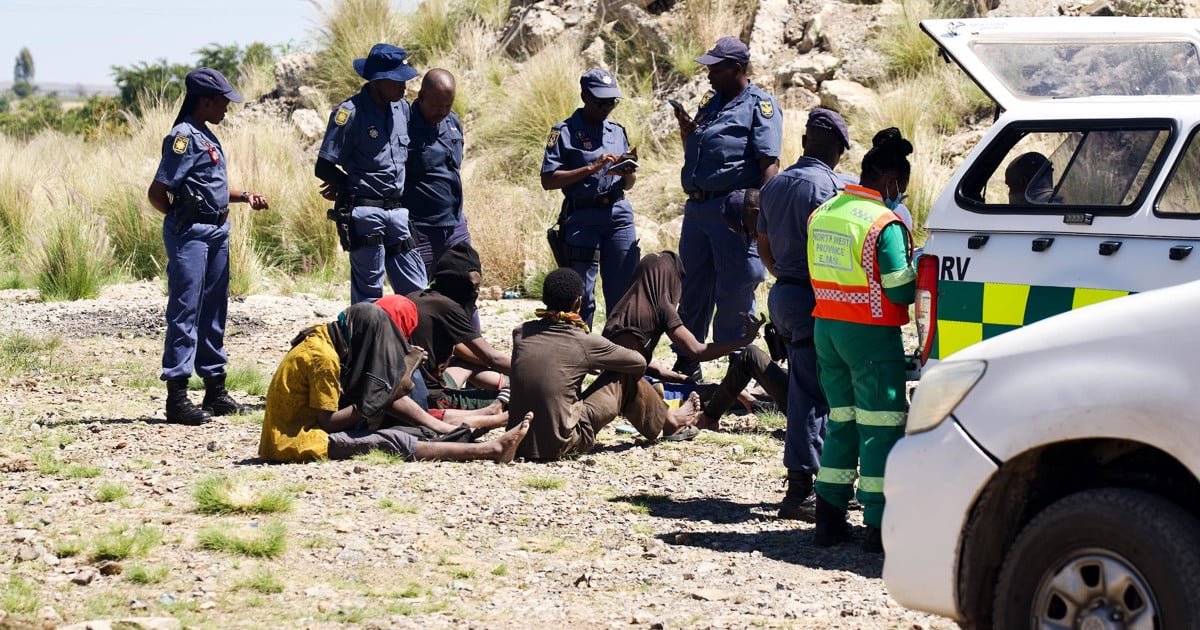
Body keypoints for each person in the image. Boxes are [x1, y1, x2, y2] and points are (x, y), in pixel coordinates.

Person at [807, 128, 917, 553]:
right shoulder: (883, 223)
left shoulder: (826, 211)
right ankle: (878, 525)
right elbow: (898, 289)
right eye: (901, 188)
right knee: (879, 428)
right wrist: (922, 269)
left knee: (843, 422)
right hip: (870, 337)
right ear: (890, 180)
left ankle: (829, 519)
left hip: (827, 330)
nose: (900, 196)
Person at [258, 302, 530, 463]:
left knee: (414, 431)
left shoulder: (327, 336)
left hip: (310, 429)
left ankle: (451, 431)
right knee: (393, 440)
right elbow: (329, 422)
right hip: (295, 441)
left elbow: (382, 396)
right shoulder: (323, 359)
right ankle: (489, 450)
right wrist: (371, 404)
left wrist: (381, 398)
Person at [147, 67, 269, 425]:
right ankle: (178, 396)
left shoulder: (207, 135)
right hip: (191, 234)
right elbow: (157, 193)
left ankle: (215, 389)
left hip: (216, 232)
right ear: (204, 101)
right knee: (186, 310)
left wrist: (244, 196)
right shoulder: (182, 137)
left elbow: (212, 188)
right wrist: (183, 219)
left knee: (214, 310)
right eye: (222, 102)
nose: (227, 109)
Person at [671, 36, 782, 382]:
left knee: (735, 288)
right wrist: (687, 134)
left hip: (734, 212)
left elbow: (769, 167)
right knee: (693, 285)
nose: (708, 75)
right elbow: (701, 149)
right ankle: (688, 360)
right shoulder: (711, 101)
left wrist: (763, 219)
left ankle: (739, 368)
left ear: (736, 69)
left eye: (715, 69)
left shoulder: (760, 106)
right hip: (699, 209)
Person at [757, 108, 848, 520]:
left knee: (804, 387)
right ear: (835, 148)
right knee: (812, 395)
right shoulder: (830, 188)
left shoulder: (775, 185)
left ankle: (816, 485)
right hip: (815, 297)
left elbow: (763, 247)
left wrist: (785, 275)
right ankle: (800, 492)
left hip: (783, 295)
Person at [506, 268, 699, 461]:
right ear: (578, 302)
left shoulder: (521, 333)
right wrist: (603, 359)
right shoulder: (584, 340)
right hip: (562, 443)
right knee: (624, 375)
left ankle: (658, 406)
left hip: (519, 439)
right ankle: (670, 421)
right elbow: (638, 363)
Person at [315, 43, 426, 304]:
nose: (404, 86)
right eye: (397, 80)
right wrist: (349, 185)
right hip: (365, 213)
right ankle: (369, 344)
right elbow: (323, 167)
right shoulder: (349, 113)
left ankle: (417, 342)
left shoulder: (402, 109)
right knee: (369, 296)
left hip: (398, 212)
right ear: (377, 81)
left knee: (416, 289)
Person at [541, 68, 641, 328]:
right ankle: (578, 353)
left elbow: (628, 185)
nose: (607, 107)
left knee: (623, 292)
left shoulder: (617, 132)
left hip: (618, 215)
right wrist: (591, 168)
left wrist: (628, 170)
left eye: (612, 102)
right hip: (583, 218)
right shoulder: (563, 132)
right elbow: (548, 180)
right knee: (581, 295)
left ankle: (618, 356)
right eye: (601, 102)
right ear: (584, 95)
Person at [602, 250, 763, 402]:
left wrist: (676, 377)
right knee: (715, 392)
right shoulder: (662, 305)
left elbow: (626, 359)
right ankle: (758, 401)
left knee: (694, 386)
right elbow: (697, 351)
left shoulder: (620, 310)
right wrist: (744, 340)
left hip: (613, 384)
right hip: (628, 391)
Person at [408, 243, 511, 409]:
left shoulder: (419, 297)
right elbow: (493, 358)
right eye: (474, 286)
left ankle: (506, 383)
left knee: (464, 364)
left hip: (410, 385)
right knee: (516, 401)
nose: (476, 292)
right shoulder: (447, 307)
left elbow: (461, 350)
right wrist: (533, 373)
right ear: (459, 282)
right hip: (428, 397)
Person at [403, 69, 473, 284]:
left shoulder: (453, 122)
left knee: (466, 287)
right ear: (421, 96)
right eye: (437, 106)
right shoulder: (403, 126)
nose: (443, 111)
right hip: (421, 229)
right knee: (420, 295)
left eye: (448, 105)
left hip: (455, 225)